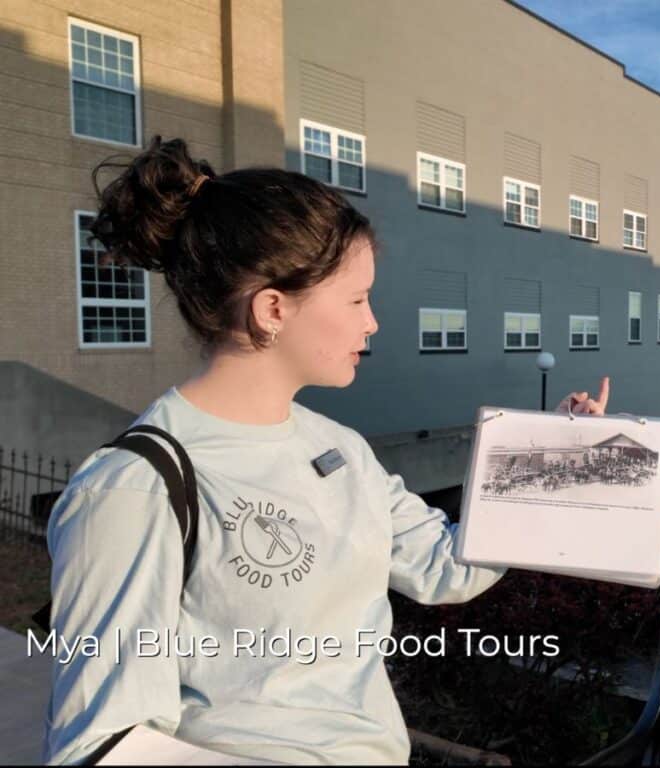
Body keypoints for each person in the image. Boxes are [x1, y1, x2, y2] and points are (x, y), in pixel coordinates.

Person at [42, 136, 611, 765]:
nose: (373, 323)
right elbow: (101, 745)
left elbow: (446, 563)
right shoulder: (135, 488)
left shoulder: (340, 449)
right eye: (357, 299)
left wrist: (554, 457)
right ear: (273, 310)